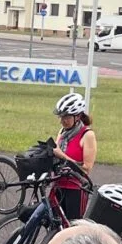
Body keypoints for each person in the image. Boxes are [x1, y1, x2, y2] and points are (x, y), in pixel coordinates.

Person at [51, 92, 97, 221]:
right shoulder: (62, 132)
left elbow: (86, 169)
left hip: (76, 188)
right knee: (55, 225)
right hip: (58, 184)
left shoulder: (87, 135)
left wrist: (63, 156)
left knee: (73, 226)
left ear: (78, 116)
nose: (62, 121)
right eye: (61, 117)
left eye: (66, 117)